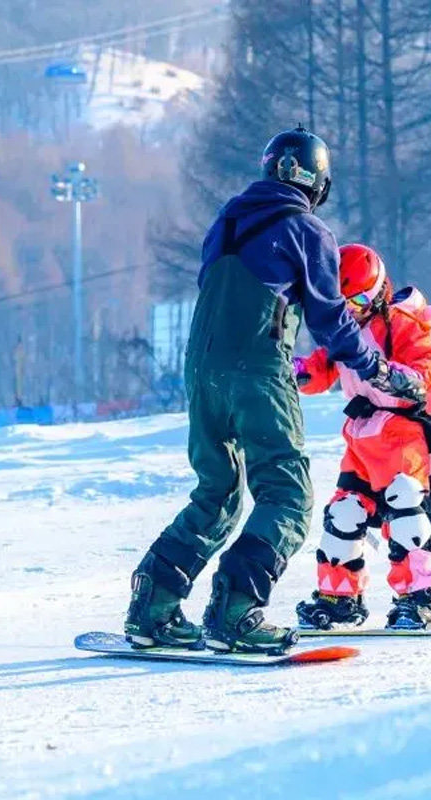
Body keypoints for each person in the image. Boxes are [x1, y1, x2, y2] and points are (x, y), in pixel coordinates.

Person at [124, 125, 414, 654]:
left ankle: (154, 606)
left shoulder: (225, 222)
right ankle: (235, 610)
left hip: (200, 368)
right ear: (318, 181)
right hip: (256, 369)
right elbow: (331, 321)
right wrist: (376, 368)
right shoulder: (308, 230)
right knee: (287, 495)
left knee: (217, 492)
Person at [295, 244, 431, 630]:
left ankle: (420, 596)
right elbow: (323, 368)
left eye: (358, 299)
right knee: (345, 512)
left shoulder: (408, 319)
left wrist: (388, 374)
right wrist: (298, 371)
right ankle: (339, 598)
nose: (352, 309)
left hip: (405, 434)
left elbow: (424, 373)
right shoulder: (345, 330)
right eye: (344, 302)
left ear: (376, 290)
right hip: (362, 439)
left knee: (406, 508)